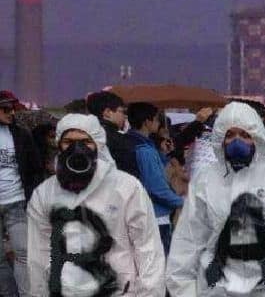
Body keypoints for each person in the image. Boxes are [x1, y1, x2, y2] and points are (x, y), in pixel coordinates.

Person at [166, 102, 265, 296]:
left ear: (257, 137)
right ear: (219, 139)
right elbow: (188, 241)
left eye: (244, 135)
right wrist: (185, 291)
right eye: (230, 135)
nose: (236, 142)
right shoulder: (207, 181)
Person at [27, 114, 165, 295]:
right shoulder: (45, 193)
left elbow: (147, 248)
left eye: (85, 141)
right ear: (59, 144)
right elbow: (38, 254)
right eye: (68, 142)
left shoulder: (126, 187)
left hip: (118, 290)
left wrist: (150, 292)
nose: (77, 148)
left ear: (98, 144)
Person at [0, 91, 43, 296]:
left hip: (16, 201)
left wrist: (32, 196)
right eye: (6, 109)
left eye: (13, 109)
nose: (11, 113)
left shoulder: (20, 134)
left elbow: (35, 167)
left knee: (24, 253)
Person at [129, 102, 183, 256]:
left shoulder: (142, 145)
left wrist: (165, 154)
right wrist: (182, 203)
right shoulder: (144, 150)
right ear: (148, 122)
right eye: (157, 120)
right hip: (155, 217)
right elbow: (156, 187)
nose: (159, 124)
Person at [86, 91, 142, 178]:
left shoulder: (84, 137)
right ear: (107, 112)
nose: (124, 116)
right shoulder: (119, 140)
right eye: (122, 112)